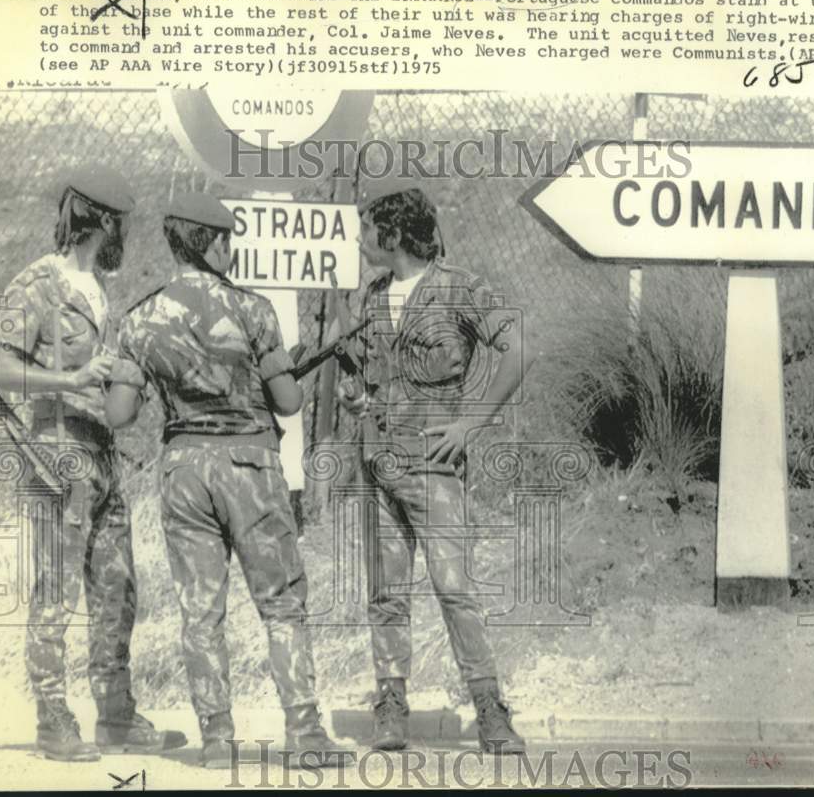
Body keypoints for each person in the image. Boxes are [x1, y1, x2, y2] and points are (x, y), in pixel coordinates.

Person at [105, 192, 348, 769]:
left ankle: (216, 738)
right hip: (250, 468)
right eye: (228, 240)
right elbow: (287, 404)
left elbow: (120, 414)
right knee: (282, 605)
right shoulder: (253, 310)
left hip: (184, 469)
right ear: (210, 241)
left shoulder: (140, 317)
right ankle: (305, 733)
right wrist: (276, 371)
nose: (233, 249)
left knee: (200, 610)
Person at [0, 165, 186, 762]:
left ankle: (116, 717)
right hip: (55, 454)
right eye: (119, 221)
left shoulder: (97, 286)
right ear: (100, 221)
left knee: (117, 588)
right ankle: (54, 720)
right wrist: (71, 376)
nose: (124, 232)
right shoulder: (38, 283)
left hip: (101, 454)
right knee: (55, 593)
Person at [338, 179, 531, 754]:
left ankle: (491, 711)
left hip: (434, 466)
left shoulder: (458, 290)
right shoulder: (370, 296)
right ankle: (391, 705)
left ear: (393, 233)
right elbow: (367, 378)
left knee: (454, 589)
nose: (362, 238)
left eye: (369, 228)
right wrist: (357, 401)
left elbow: (521, 348)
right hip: (379, 466)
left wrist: (471, 421)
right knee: (386, 593)